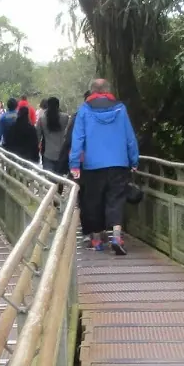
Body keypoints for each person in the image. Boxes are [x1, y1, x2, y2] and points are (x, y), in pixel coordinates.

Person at [69, 78, 139, 255]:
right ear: (108, 90)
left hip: (92, 165)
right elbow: (130, 137)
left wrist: (75, 164)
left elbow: (77, 139)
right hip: (118, 163)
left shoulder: (84, 110)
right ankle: (116, 236)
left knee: (93, 201)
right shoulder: (120, 108)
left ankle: (96, 240)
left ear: (92, 92)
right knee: (116, 199)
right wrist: (134, 160)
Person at [38, 96, 72, 175]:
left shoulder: (42, 119)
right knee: (60, 179)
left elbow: (38, 136)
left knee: (49, 181)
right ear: (58, 105)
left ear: (47, 106)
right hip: (62, 154)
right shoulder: (65, 117)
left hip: (48, 154)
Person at [2, 96, 40, 161]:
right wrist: (36, 157)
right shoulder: (31, 128)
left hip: (15, 155)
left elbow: (8, 141)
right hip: (28, 156)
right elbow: (35, 143)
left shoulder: (13, 127)